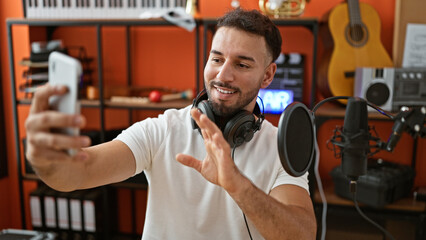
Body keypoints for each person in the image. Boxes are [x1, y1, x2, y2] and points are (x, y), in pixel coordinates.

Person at [25, 8, 316, 240]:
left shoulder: (281, 149)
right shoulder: (162, 129)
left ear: (267, 76)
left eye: (242, 64)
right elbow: (77, 174)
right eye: (216, 59)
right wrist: (45, 160)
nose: (222, 75)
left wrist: (238, 186)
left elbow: (301, 235)